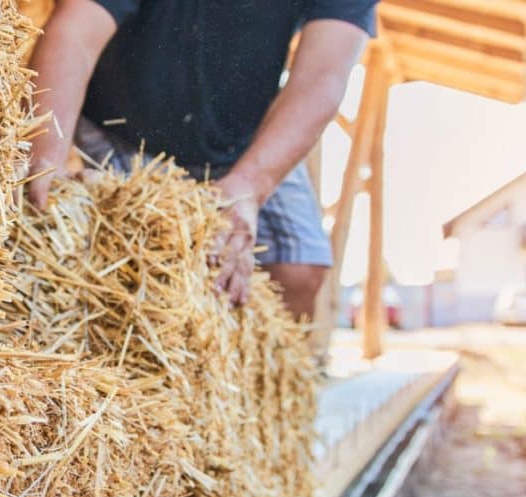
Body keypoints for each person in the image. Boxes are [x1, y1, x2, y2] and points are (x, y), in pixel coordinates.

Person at [25, 0, 378, 319]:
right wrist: (47, 157)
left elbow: (322, 76)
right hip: (123, 125)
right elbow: (76, 31)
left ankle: (256, 386)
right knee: (138, 268)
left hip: (247, 138)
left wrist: (250, 187)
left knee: (298, 270)